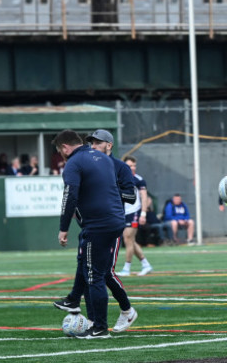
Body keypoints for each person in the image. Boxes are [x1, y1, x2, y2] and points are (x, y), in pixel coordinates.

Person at [53, 129, 138, 333]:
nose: (94, 146)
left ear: (109, 145)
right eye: (91, 142)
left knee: (100, 273)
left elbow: (130, 196)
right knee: (89, 268)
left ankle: (120, 314)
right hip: (93, 224)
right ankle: (82, 308)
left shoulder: (115, 165)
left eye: (98, 143)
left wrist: (103, 195)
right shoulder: (94, 160)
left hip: (105, 223)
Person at [117, 155, 154, 276]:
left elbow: (144, 197)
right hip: (123, 212)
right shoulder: (119, 178)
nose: (132, 168)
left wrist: (143, 214)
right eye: (129, 166)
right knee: (130, 240)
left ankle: (127, 268)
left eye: (134, 165)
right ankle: (146, 264)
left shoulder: (138, 180)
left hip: (134, 212)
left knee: (128, 239)